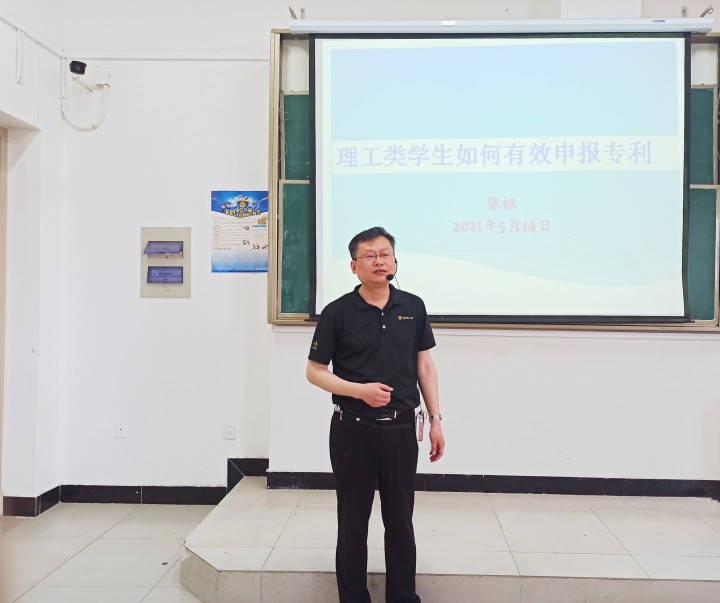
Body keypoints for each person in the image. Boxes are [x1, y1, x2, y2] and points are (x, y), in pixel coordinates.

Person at [306, 226, 445, 603]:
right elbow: (314, 371)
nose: (378, 261)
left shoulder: (413, 306)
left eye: (385, 254)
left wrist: (436, 420)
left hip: (401, 430)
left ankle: (403, 597)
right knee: (353, 521)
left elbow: (425, 366)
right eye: (369, 255)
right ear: (354, 266)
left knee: (400, 521)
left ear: (395, 261)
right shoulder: (337, 312)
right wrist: (359, 391)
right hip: (352, 430)